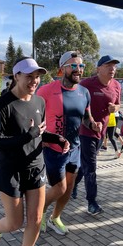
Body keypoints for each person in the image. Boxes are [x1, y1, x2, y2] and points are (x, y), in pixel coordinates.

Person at [0, 57, 69, 246]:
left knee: (35, 220)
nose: (34, 81)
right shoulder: (2, 104)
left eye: (37, 76)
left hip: (35, 167)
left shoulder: (39, 102)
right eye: (29, 76)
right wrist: (29, 135)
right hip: (10, 170)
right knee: (14, 223)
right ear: (16, 76)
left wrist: (56, 138)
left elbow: (39, 133)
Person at [36, 51, 101, 235]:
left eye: (81, 66)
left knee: (69, 188)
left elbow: (86, 119)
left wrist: (93, 125)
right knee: (59, 187)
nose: (78, 69)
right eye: (73, 65)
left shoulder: (84, 93)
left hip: (74, 148)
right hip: (53, 148)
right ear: (62, 68)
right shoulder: (46, 90)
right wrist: (40, 138)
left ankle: (55, 218)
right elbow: (33, 115)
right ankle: (38, 214)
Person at [72, 55, 121, 214]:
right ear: (98, 69)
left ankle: (72, 185)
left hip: (102, 132)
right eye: (108, 65)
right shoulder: (86, 84)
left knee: (84, 165)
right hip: (86, 131)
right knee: (91, 167)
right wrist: (90, 121)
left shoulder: (116, 86)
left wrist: (115, 108)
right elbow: (76, 102)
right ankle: (92, 202)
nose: (112, 69)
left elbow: (118, 104)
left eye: (114, 66)